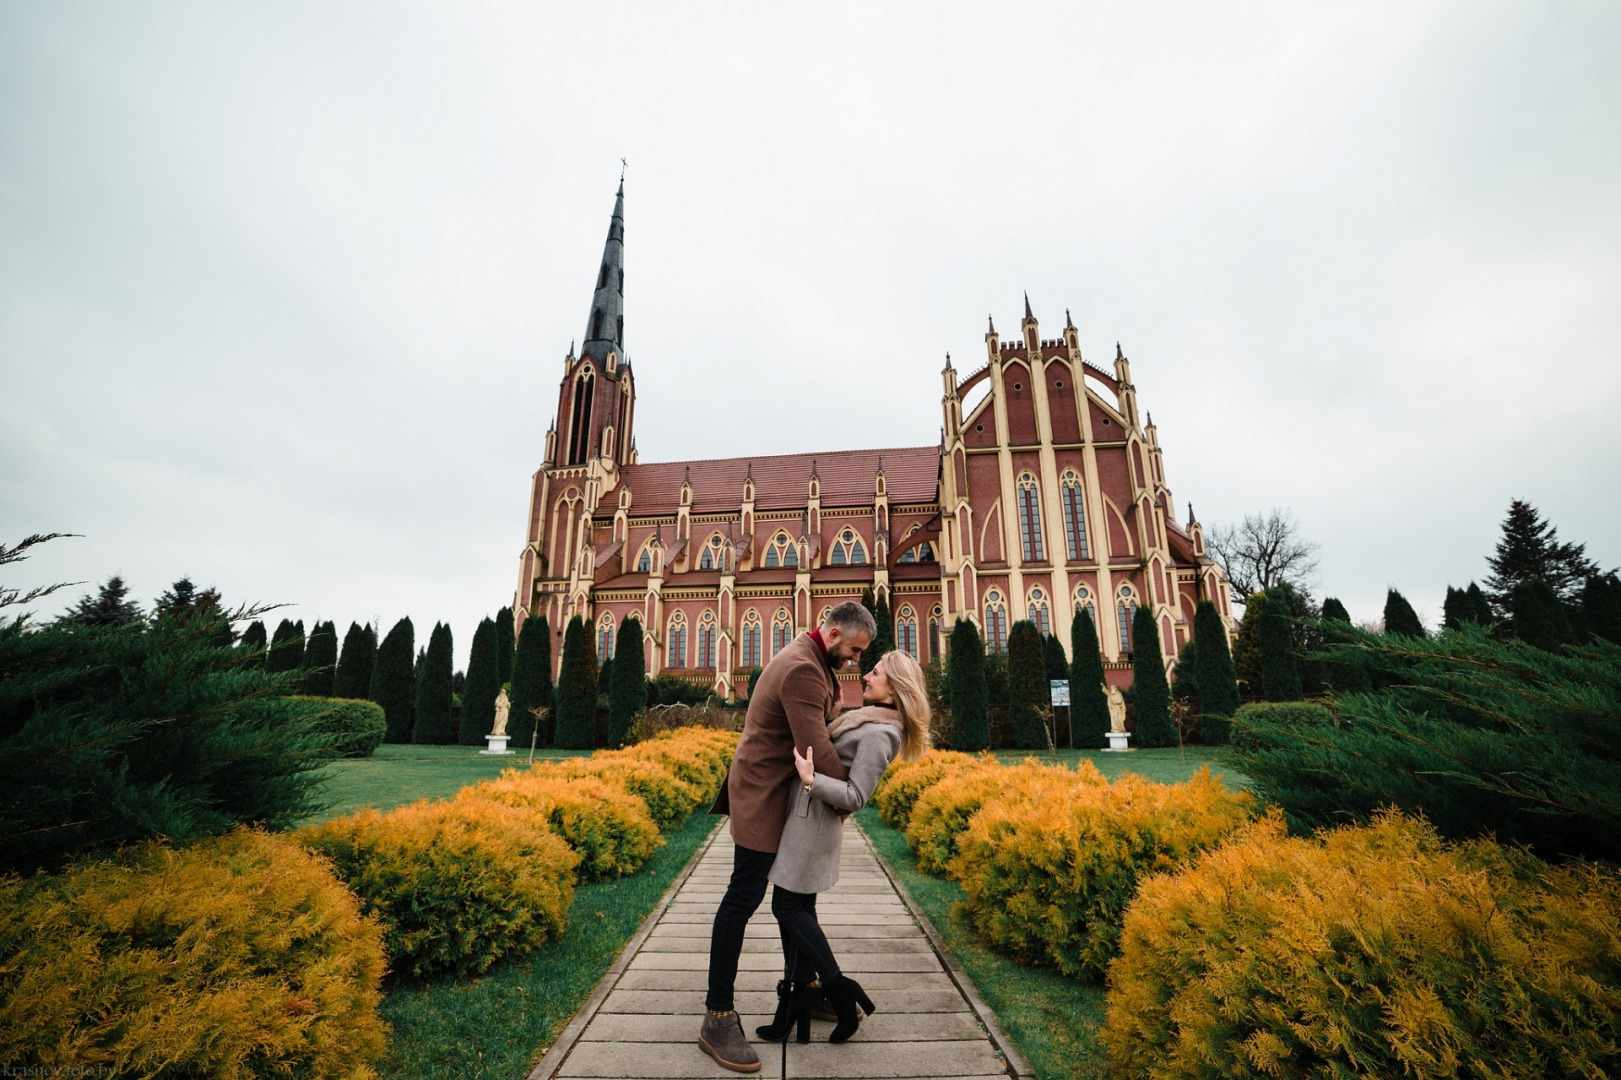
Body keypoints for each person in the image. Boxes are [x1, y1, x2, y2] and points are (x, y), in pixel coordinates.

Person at [698, 601, 876, 1075]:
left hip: (785, 791)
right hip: (762, 793)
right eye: (855, 650)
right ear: (834, 633)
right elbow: (814, 748)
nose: (857, 660)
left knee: (797, 898)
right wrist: (849, 797)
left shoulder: (814, 659)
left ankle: (807, 990)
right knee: (744, 896)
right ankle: (717, 1015)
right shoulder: (803, 669)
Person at [759, 649, 932, 1045]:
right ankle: (793, 1005)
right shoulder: (869, 720)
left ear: (895, 688)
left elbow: (856, 796)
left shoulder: (882, 733)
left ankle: (839, 989)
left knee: (785, 907)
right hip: (805, 822)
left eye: (875, 672)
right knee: (799, 911)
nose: (865, 675)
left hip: (814, 827)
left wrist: (810, 779)